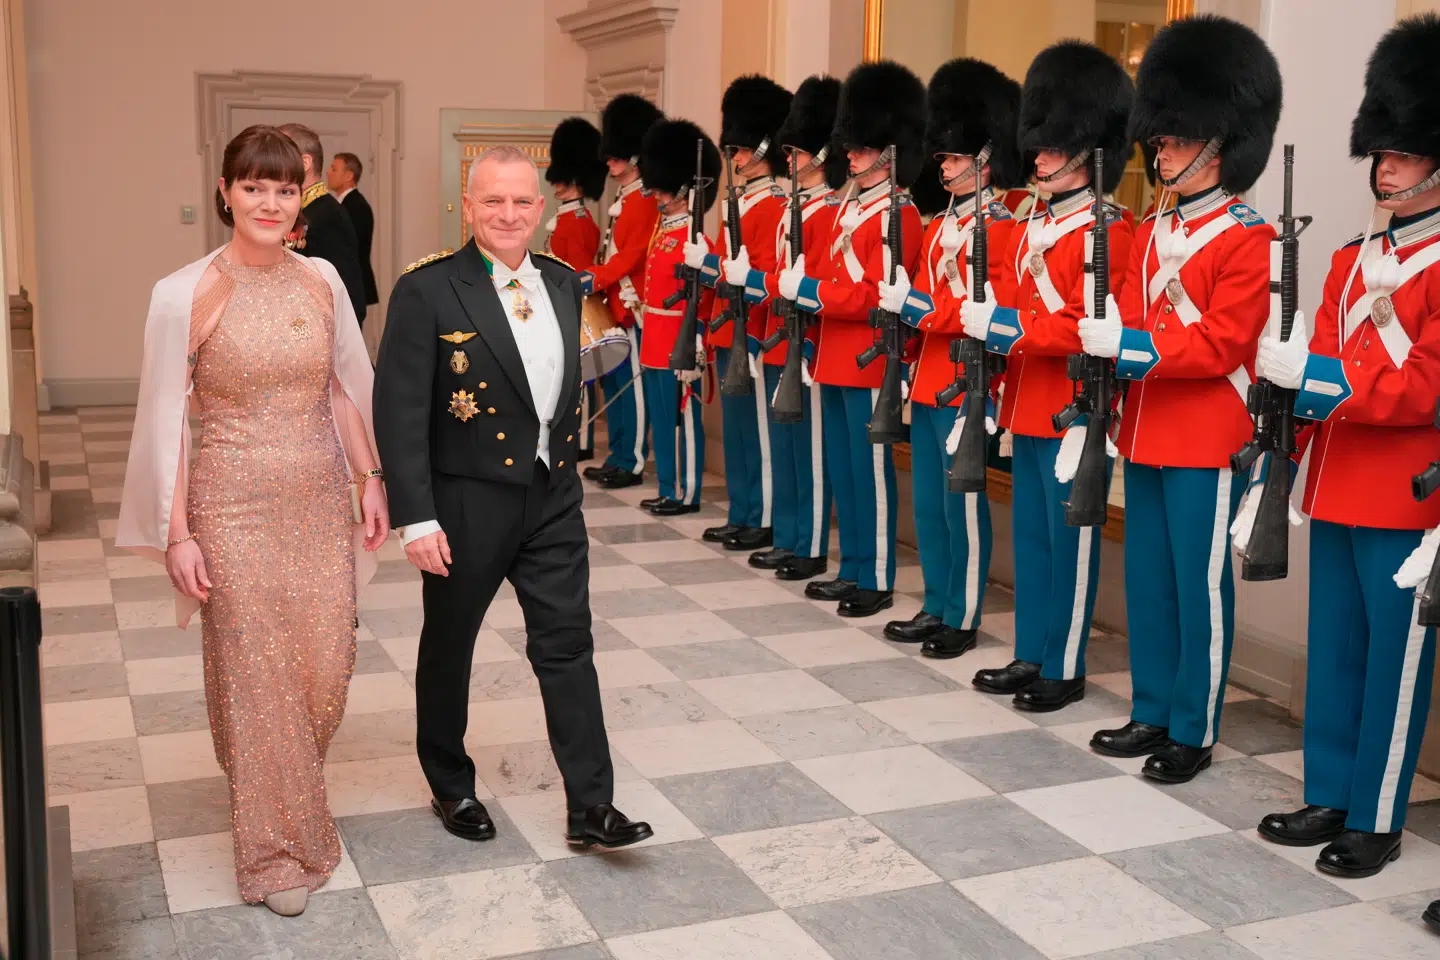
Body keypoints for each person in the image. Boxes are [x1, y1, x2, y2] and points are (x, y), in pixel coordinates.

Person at [116, 125, 387, 917]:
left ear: (300, 195)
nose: (268, 202)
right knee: (257, 676)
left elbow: (344, 389)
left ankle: (282, 793)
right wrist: (178, 533)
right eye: (252, 187)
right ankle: (273, 852)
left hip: (317, 503)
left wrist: (371, 480)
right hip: (229, 507)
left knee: (323, 674)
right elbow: (165, 422)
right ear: (227, 193)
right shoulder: (184, 293)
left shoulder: (324, 282)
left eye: (282, 188)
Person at [374, 145, 651, 851]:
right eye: (492, 201)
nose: (507, 214)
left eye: (521, 201)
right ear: (467, 207)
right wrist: (416, 516)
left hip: (551, 496)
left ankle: (593, 807)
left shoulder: (562, 283)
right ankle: (450, 783)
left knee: (567, 647)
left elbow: (575, 384)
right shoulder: (429, 290)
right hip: (466, 502)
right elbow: (400, 410)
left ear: (541, 209)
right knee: (450, 646)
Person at [1253, 13, 1440, 880]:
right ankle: (1328, 789)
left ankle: (1376, 815)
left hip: (1406, 491)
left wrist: (1324, 382)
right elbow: (1323, 351)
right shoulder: (1346, 259)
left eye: (1404, 151)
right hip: (1334, 480)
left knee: (1394, 665)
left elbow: (1423, 386)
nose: (1386, 164)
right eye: (1384, 149)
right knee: (1336, 650)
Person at [1081, 16, 1281, 784]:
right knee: (1150, 581)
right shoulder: (1155, 226)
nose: (1157, 150)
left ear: (1216, 141)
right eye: (1157, 138)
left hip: (1206, 430)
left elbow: (1222, 344)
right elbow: (1131, 313)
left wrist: (1128, 349)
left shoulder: (1249, 238)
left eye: (1170, 139)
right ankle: (1152, 708)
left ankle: (1194, 728)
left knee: (1198, 587)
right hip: (1148, 427)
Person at [964, 41, 1134, 712]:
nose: (1036, 155)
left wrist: (1007, 328)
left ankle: (1064, 665)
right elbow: (1007, 291)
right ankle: (1031, 649)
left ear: (1086, 149)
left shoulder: (1110, 229)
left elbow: (1085, 326)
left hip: (1072, 408)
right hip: (1026, 400)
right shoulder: (1033, 222)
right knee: (1032, 538)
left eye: (1051, 145)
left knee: (1071, 545)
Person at [875, 58, 1024, 659]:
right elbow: (924, 290)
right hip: (931, 373)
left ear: (986, 158)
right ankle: (935, 601)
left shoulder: (1006, 226)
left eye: (956, 158)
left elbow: (977, 309)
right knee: (933, 503)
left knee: (963, 504)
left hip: (969, 378)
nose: (947, 166)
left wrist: (915, 309)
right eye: (944, 158)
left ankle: (961, 614)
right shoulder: (940, 225)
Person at [778, 60, 925, 618]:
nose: (852, 156)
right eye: (852, 148)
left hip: (868, 358)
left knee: (871, 475)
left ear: (889, 150)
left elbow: (874, 296)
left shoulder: (899, 213)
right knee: (844, 470)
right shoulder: (850, 206)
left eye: (864, 149)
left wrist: (811, 289)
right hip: (833, 355)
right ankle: (854, 566)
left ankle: (878, 574)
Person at [729, 75, 848, 582]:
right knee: (788, 448)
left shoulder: (827, 211)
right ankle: (791, 536)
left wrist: (757, 279)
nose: (791, 158)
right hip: (782, 338)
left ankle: (811, 545)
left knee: (810, 452)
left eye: (800, 151)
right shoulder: (796, 208)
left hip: (806, 342)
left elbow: (814, 283)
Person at [696, 76, 791, 551]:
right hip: (727, 328)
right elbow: (725, 265)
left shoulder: (774, 204)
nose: (733, 157)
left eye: (740, 149)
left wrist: (717, 266)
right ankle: (742, 509)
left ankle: (764, 514)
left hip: (751, 331)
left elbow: (765, 273)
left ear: (763, 146)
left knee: (758, 430)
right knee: (736, 431)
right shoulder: (744, 200)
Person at [579, 95, 663, 490]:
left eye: (615, 157)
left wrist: (595, 278)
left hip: (632, 301)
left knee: (633, 389)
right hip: (615, 300)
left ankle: (630, 461)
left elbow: (633, 254)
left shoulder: (646, 197)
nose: (609, 164)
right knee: (615, 382)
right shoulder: (626, 194)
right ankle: (617, 453)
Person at [637, 120, 721, 516]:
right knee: (662, 419)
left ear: (684, 188)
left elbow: (705, 295)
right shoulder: (665, 229)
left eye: (663, 186)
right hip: (654, 337)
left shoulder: (696, 237)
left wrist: (699, 338)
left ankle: (686, 492)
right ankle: (668, 486)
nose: (657, 194)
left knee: (684, 418)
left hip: (680, 338)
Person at [544, 118, 607, 460]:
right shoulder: (568, 218)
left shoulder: (579, 222)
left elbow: (577, 273)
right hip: (558, 303)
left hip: (572, 306)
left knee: (577, 376)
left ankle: (581, 441)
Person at [278, 123, 367, 326]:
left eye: (280, 154)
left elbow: (347, 294)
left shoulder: (327, 215)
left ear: (305, 163)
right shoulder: (303, 210)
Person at [327, 151, 380, 308]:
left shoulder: (356, 207)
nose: (328, 172)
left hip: (351, 285)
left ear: (348, 176)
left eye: (334, 169)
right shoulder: (345, 205)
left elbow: (347, 251)